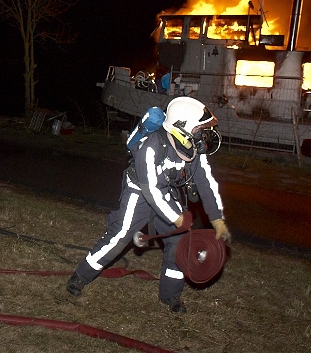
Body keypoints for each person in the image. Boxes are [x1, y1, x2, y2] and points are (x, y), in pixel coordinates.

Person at [66, 97, 231, 313]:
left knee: (180, 242)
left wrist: (217, 218)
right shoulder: (151, 146)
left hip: (166, 192)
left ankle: (170, 295)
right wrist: (177, 218)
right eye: (201, 130)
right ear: (183, 127)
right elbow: (151, 191)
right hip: (139, 191)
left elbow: (206, 182)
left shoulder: (194, 151)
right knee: (120, 235)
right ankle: (80, 276)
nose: (206, 136)